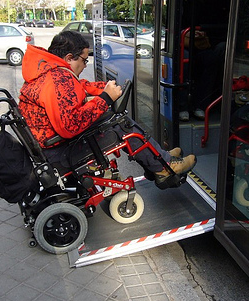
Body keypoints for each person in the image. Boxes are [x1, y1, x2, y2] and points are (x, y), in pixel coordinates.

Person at [18, 30, 196, 186]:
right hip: (60, 152)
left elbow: (78, 87)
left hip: (52, 146)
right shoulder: (58, 80)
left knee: (115, 119)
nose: (85, 64)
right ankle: (163, 167)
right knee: (121, 125)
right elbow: (70, 126)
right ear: (69, 58)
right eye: (84, 60)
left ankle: (159, 156)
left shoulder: (48, 71)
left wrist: (103, 88)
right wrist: (105, 98)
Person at [179, 0, 230, 121]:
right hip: (182, 46)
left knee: (211, 59)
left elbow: (203, 23)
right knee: (185, 61)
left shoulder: (198, 4)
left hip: (197, 44)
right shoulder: (175, 5)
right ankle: (182, 106)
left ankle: (201, 105)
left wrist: (200, 32)